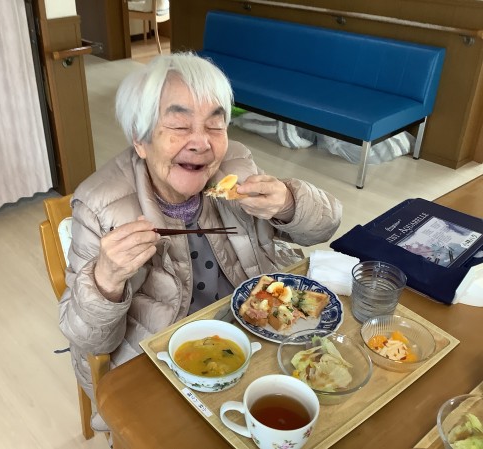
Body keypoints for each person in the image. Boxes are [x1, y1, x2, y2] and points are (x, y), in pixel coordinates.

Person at [58, 52, 342, 419]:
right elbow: (87, 340)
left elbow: (327, 226)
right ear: (140, 139)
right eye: (179, 125)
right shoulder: (100, 205)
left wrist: (288, 203)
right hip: (164, 358)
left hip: (254, 328)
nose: (201, 143)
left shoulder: (236, 164)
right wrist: (106, 281)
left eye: (215, 125)